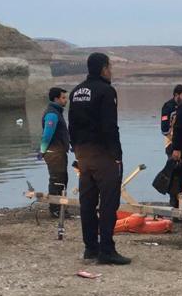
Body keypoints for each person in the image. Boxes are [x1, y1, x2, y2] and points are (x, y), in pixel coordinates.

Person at [69, 52, 130, 265]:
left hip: (82, 153)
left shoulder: (76, 91)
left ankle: (90, 248)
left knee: (87, 201)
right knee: (108, 202)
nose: (111, 71)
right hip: (103, 153)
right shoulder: (106, 90)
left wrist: (75, 148)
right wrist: (117, 154)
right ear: (104, 68)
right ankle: (106, 249)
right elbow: (109, 126)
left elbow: (72, 124)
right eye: (110, 67)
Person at [38, 87, 71, 217]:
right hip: (54, 152)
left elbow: (60, 133)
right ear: (56, 99)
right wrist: (42, 151)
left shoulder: (57, 112)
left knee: (62, 179)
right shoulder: (52, 114)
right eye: (63, 98)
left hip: (59, 151)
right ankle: (55, 209)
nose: (66, 100)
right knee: (57, 180)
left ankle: (61, 207)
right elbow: (47, 135)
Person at [160, 84, 182, 155]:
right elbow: (164, 130)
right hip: (171, 144)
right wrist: (175, 139)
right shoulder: (168, 107)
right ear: (176, 95)